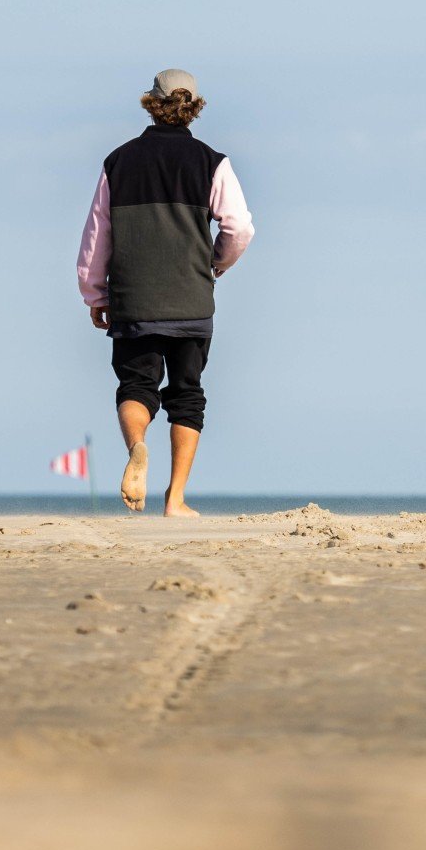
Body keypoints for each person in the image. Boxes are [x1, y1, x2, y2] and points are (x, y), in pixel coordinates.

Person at [76, 69, 254, 516]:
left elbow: (97, 236)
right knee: (187, 394)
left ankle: (137, 445)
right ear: (194, 106)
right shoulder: (212, 161)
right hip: (191, 298)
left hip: (134, 299)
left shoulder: (118, 161)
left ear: (150, 103)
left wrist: (95, 294)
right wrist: (216, 262)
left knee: (136, 385)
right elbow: (239, 227)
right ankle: (175, 500)